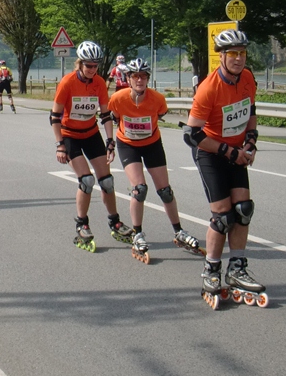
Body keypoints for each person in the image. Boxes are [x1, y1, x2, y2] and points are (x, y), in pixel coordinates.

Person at [183, 29, 264, 305]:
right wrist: (230, 152)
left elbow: (250, 111)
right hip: (211, 152)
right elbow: (192, 135)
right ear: (221, 56)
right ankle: (211, 270)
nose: (239, 59)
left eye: (242, 53)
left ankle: (237, 267)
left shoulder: (248, 78)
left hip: (236, 152)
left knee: (243, 210)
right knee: (223, 217)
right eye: (233, 54)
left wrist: (250, 143)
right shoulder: (209, 88)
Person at [108, 58, 200, 261]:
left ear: (148, 79)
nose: (139, 80)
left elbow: (161, 114)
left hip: (152, 144)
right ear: (129, 79)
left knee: (165, 191)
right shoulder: (118, 98)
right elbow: (114, 116)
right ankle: (138, 233)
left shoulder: (157, 99)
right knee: (139, 189)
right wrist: (111, 144)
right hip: (128, 144)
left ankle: (178, 231)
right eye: (135, 76)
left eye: (143, 76)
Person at [51, 41, 133, 252]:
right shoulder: (67, 82)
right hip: (70, 136)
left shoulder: (99, 82)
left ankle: (114, 221)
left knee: (107, 181)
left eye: (95, 66)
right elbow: (54, 116)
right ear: (79, 64)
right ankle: (81, 224)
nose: (92, 70)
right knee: (87, 180)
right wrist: (60, 145)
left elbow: (105, 114)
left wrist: (110, 141)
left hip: (91, 134)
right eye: (88, 65)